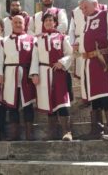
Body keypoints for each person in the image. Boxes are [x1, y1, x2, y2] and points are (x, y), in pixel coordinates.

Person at [77, 0, 108, 141]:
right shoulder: (85, 21)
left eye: (85, 7)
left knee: (104, 93)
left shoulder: (106, 14)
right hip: (88, 62)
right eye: (81, 8)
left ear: (95, 4)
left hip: (102, 60)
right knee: (94, 97)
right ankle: (96, 129)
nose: (83, 10)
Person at [30, 13, 73, 141]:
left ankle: (67, 131)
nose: (48, 22)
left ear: (55, 23)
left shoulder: (61, 37)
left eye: (51, 20)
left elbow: (70, 54)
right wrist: (34, 74)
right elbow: (35, 58)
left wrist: (62, 62)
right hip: (43, 73)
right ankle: (52, 132)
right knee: (48, 102)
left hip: (58, 73)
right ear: (43, 24)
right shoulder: (38, 40)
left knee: (62, 101)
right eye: (46, 21)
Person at [0, 15, 36, 141]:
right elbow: (0, 58)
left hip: (26, 75)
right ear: (11, 24)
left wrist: (34, 73)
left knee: (27, 104)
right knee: (12, 105)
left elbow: (35, 58)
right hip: (10, 75)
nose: (17, 24)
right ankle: (14, 134)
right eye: (15, 22)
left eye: (20, 22)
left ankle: (29, 134)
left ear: (24, 24)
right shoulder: (4, 40)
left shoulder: (31, 39)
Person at [69, 0, 107, 79]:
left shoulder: (103, 8)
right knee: (84, 76)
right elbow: (72, 30)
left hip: (99, 48)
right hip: (81, 47)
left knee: (100, 75)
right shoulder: (75, 12)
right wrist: (72, 44)